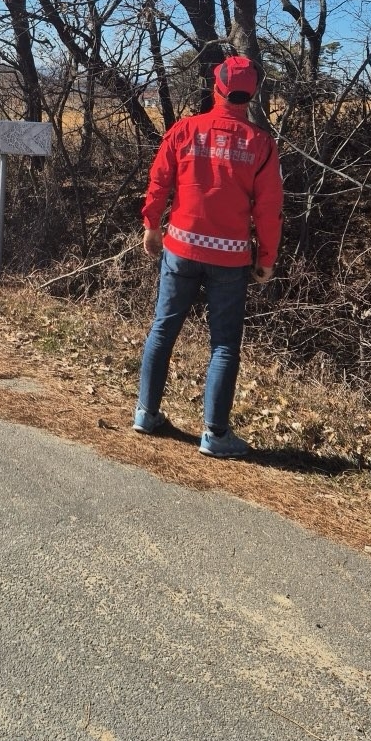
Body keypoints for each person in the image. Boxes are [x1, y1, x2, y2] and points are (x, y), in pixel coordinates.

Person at [133, 56, 284, 459]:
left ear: (216, 88)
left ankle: (146, 413)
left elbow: (159, 180)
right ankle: (215, 435)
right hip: (231, 259)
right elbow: (269, 208)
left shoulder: (185, 130)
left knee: (163, 329)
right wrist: (266, 257)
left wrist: (152, 224)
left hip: (180, 247)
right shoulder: (261, 144)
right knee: (224, 345)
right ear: (251, 95)